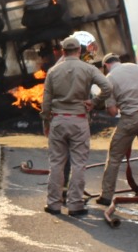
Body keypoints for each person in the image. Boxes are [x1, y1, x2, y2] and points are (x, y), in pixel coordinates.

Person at [41, 35, 112, 216]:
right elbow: (107, 87)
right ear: (79, 51)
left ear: (63, 51)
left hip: (58, 120)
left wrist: (46, 123)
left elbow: (46, 102)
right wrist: (94, 102)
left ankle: (54, 205)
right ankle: (75, 205)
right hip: (79, 120)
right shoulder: (88, 69)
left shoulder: (53, 71)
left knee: (56, 163)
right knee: (78, 164)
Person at [93, 54, 138, 207]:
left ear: (106, 65)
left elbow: (112, 112)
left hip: (130, 119)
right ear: (118, 61)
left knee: (114, 157)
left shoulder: (110, 78)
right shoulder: (135, 68)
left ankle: (106, 197)